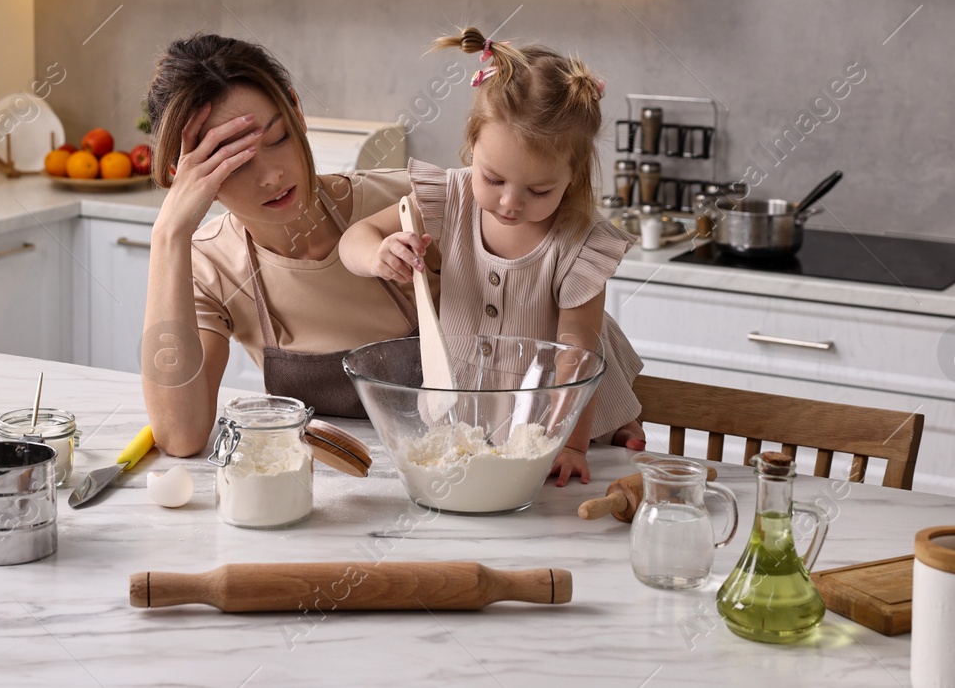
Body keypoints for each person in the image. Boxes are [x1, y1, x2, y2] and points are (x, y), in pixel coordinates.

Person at [341, 27, 647, 487]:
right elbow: (356, 237)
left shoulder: (579, 242)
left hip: (545, 420)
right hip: (459, 411)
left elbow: (578, 355)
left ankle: (616, 425)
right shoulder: (451, 197)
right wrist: (377, 254)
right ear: (471, 146)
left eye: (538, 190)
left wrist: (569, 444)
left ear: (573, 177)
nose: (509, 203)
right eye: (494, 178)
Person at [140, 33, 424, 457]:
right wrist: (167, 235)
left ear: (297, 112)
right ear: (186, 176)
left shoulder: (403, 200)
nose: (272, 176)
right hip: (315, 489)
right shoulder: (212, 265)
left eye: (277, 140)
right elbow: (181, 435)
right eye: (233, 165)